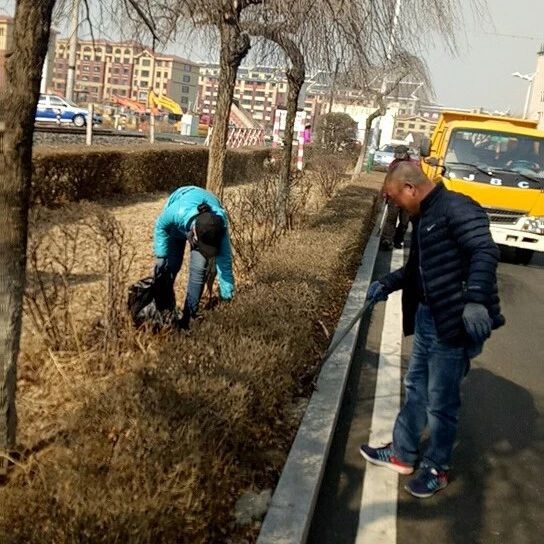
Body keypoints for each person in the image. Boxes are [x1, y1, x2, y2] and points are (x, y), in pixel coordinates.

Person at [360, 162, 505, 498]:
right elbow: (417, 270)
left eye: (396, 199)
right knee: (416, 388)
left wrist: (476, 300)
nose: (396, 207)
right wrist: (387, 283)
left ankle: (437, 468)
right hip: (428, 316)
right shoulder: (423, 214)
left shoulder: (457, 207)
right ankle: (402, 452)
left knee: (440, 402)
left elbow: (485, 250)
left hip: (454, 321)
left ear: (410, 188)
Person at [153, 185, 234, 329]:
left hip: (203, 228)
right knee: (170, 266)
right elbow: (160, 226)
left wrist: (227, 298)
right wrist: (161, 256)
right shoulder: (177, 211)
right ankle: (162, 312)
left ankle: (188, 316)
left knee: (198, 270)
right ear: (195, 234)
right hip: (176, 227)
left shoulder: (219, 225)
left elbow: (225, 263)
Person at [380, 145, 414, 250]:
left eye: (400, 153)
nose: (398, 156)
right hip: (394, 197)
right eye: (397, 153)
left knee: (404, 221)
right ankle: (387, 239)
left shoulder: (413, 165)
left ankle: (398, 239)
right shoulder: (393, 164)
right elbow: (388, 179)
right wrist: (385, 192)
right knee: (391, 219)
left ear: (405, 153)